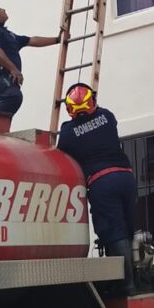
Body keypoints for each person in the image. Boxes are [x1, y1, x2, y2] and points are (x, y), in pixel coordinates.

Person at [57, 82, 138, 296]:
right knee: (129, 230)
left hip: (102, 182)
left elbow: (60, 154)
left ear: (69, 109)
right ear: (92, 101)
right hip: (126, 177)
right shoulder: (108, 117)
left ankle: (126, 287)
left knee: (114, 234)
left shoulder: (67, 134)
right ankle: (139, 277)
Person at [0, 2, 62, 117]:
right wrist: (13, 69)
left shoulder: (8, 34)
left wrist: (58, 39)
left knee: (6, 110)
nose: (4, 9)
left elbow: (32, 40)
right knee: (13, 97)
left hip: (4, 81)